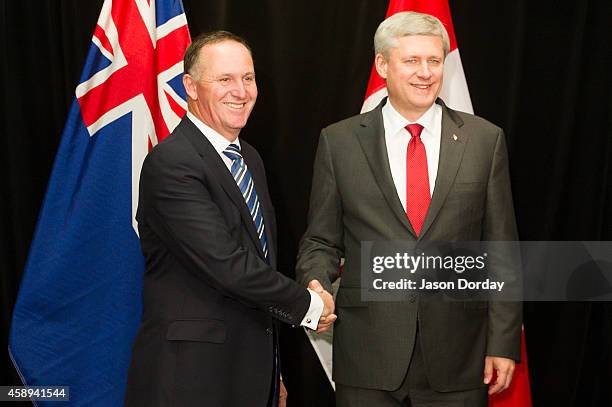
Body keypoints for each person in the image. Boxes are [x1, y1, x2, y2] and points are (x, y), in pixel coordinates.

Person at [296, 12, 521, 407]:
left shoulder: (485, 140)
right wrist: (316, 283)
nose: (425, 73)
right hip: (368, 355)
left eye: (434, 61)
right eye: (412, 61)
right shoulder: (339, 141)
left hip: (459, 358)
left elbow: (501, 248)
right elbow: (320, 239)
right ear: (382, 64)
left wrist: (503, 342)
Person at [125, 31, 335, 407]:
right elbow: (227, 265)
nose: (240, 91)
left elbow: (257, 264)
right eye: (225, 79)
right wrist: (309, 304)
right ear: (190, 86)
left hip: (250, 372)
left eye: (248, 78)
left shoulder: (249, 159)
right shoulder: (172, 163)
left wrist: (272, 369)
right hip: (191, 379)